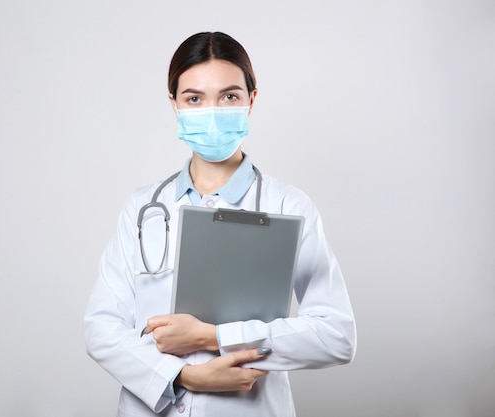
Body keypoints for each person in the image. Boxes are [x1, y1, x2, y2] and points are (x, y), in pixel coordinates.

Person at [84, 31, 356, 417]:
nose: (211, 111)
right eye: (194, 98)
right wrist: (184, 377)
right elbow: (102, 329)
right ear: (174, 105)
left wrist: (214, 337)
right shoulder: (143, 207)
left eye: (229, 96)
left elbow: (336, 336)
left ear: (252, 100)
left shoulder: (289, 205)